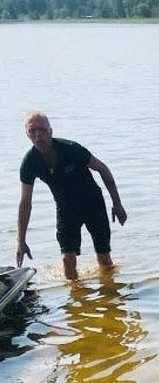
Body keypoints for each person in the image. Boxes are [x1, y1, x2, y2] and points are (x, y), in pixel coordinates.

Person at [16, 112, 126, 281]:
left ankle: (108, 291)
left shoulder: (71, 149)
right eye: (33, 131)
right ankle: (75, 295)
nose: (38, 135)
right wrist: (21, 241)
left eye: (42, 130)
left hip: (92, 203)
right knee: (67, 260)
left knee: (104, 258)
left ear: (50, 131)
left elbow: (102, 169)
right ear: (27, 134)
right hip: (66, 209)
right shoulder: (29, 163)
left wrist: (117, 204)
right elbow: (25, 203)